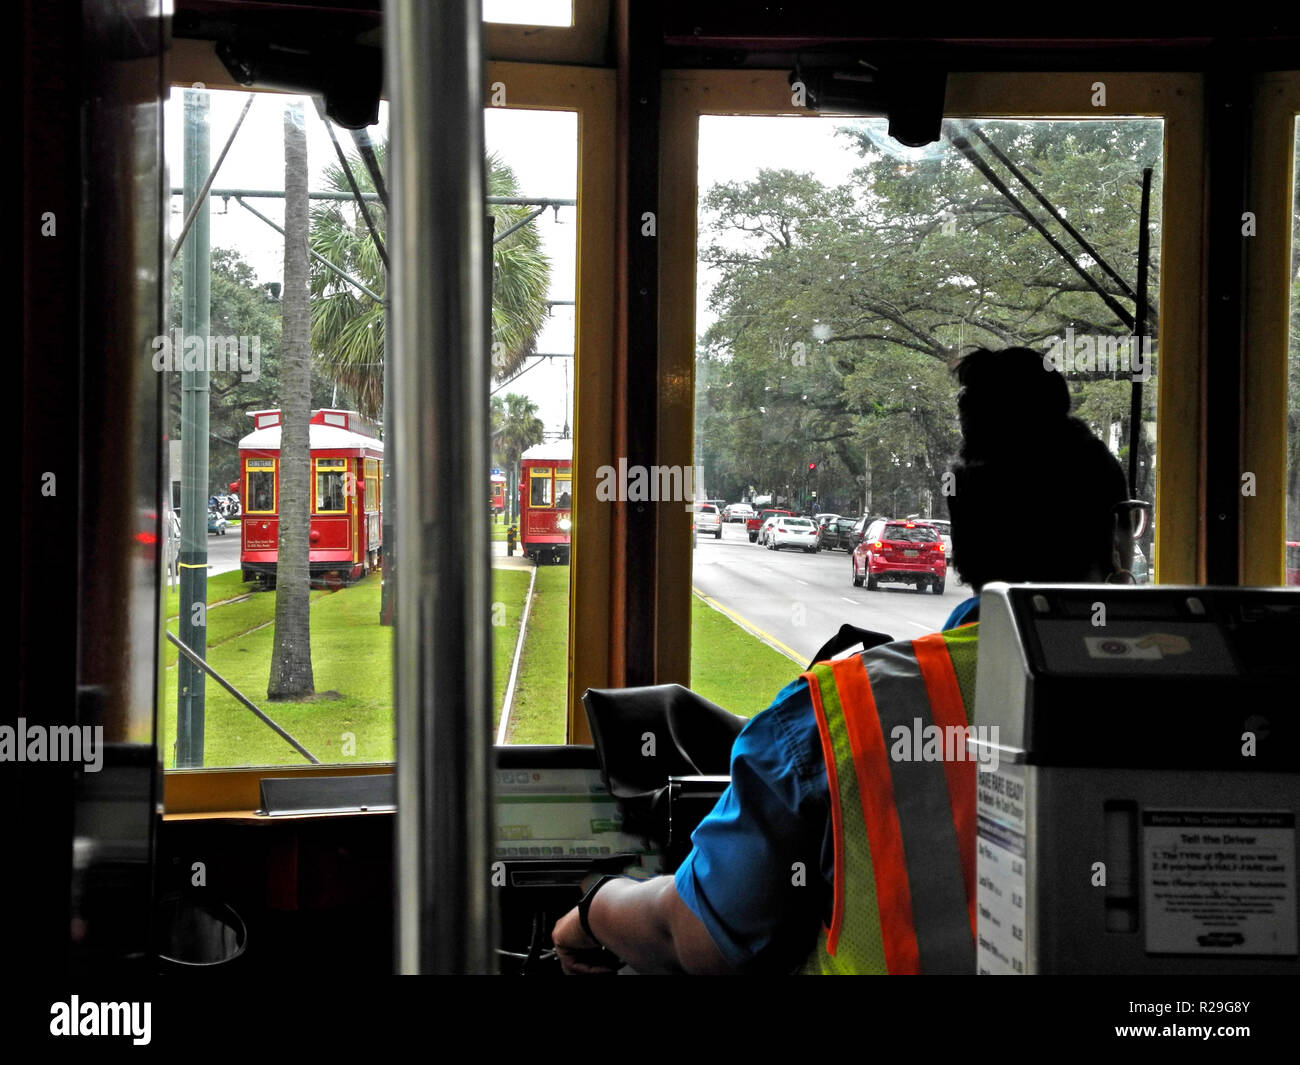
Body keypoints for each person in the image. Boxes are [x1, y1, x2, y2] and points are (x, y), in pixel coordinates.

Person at [551, 347, 1138, 974]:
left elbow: (692, 938)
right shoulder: (1213, 697)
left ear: (958, 537)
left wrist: (594, 910)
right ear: (1119, 533)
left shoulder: (843, 711)